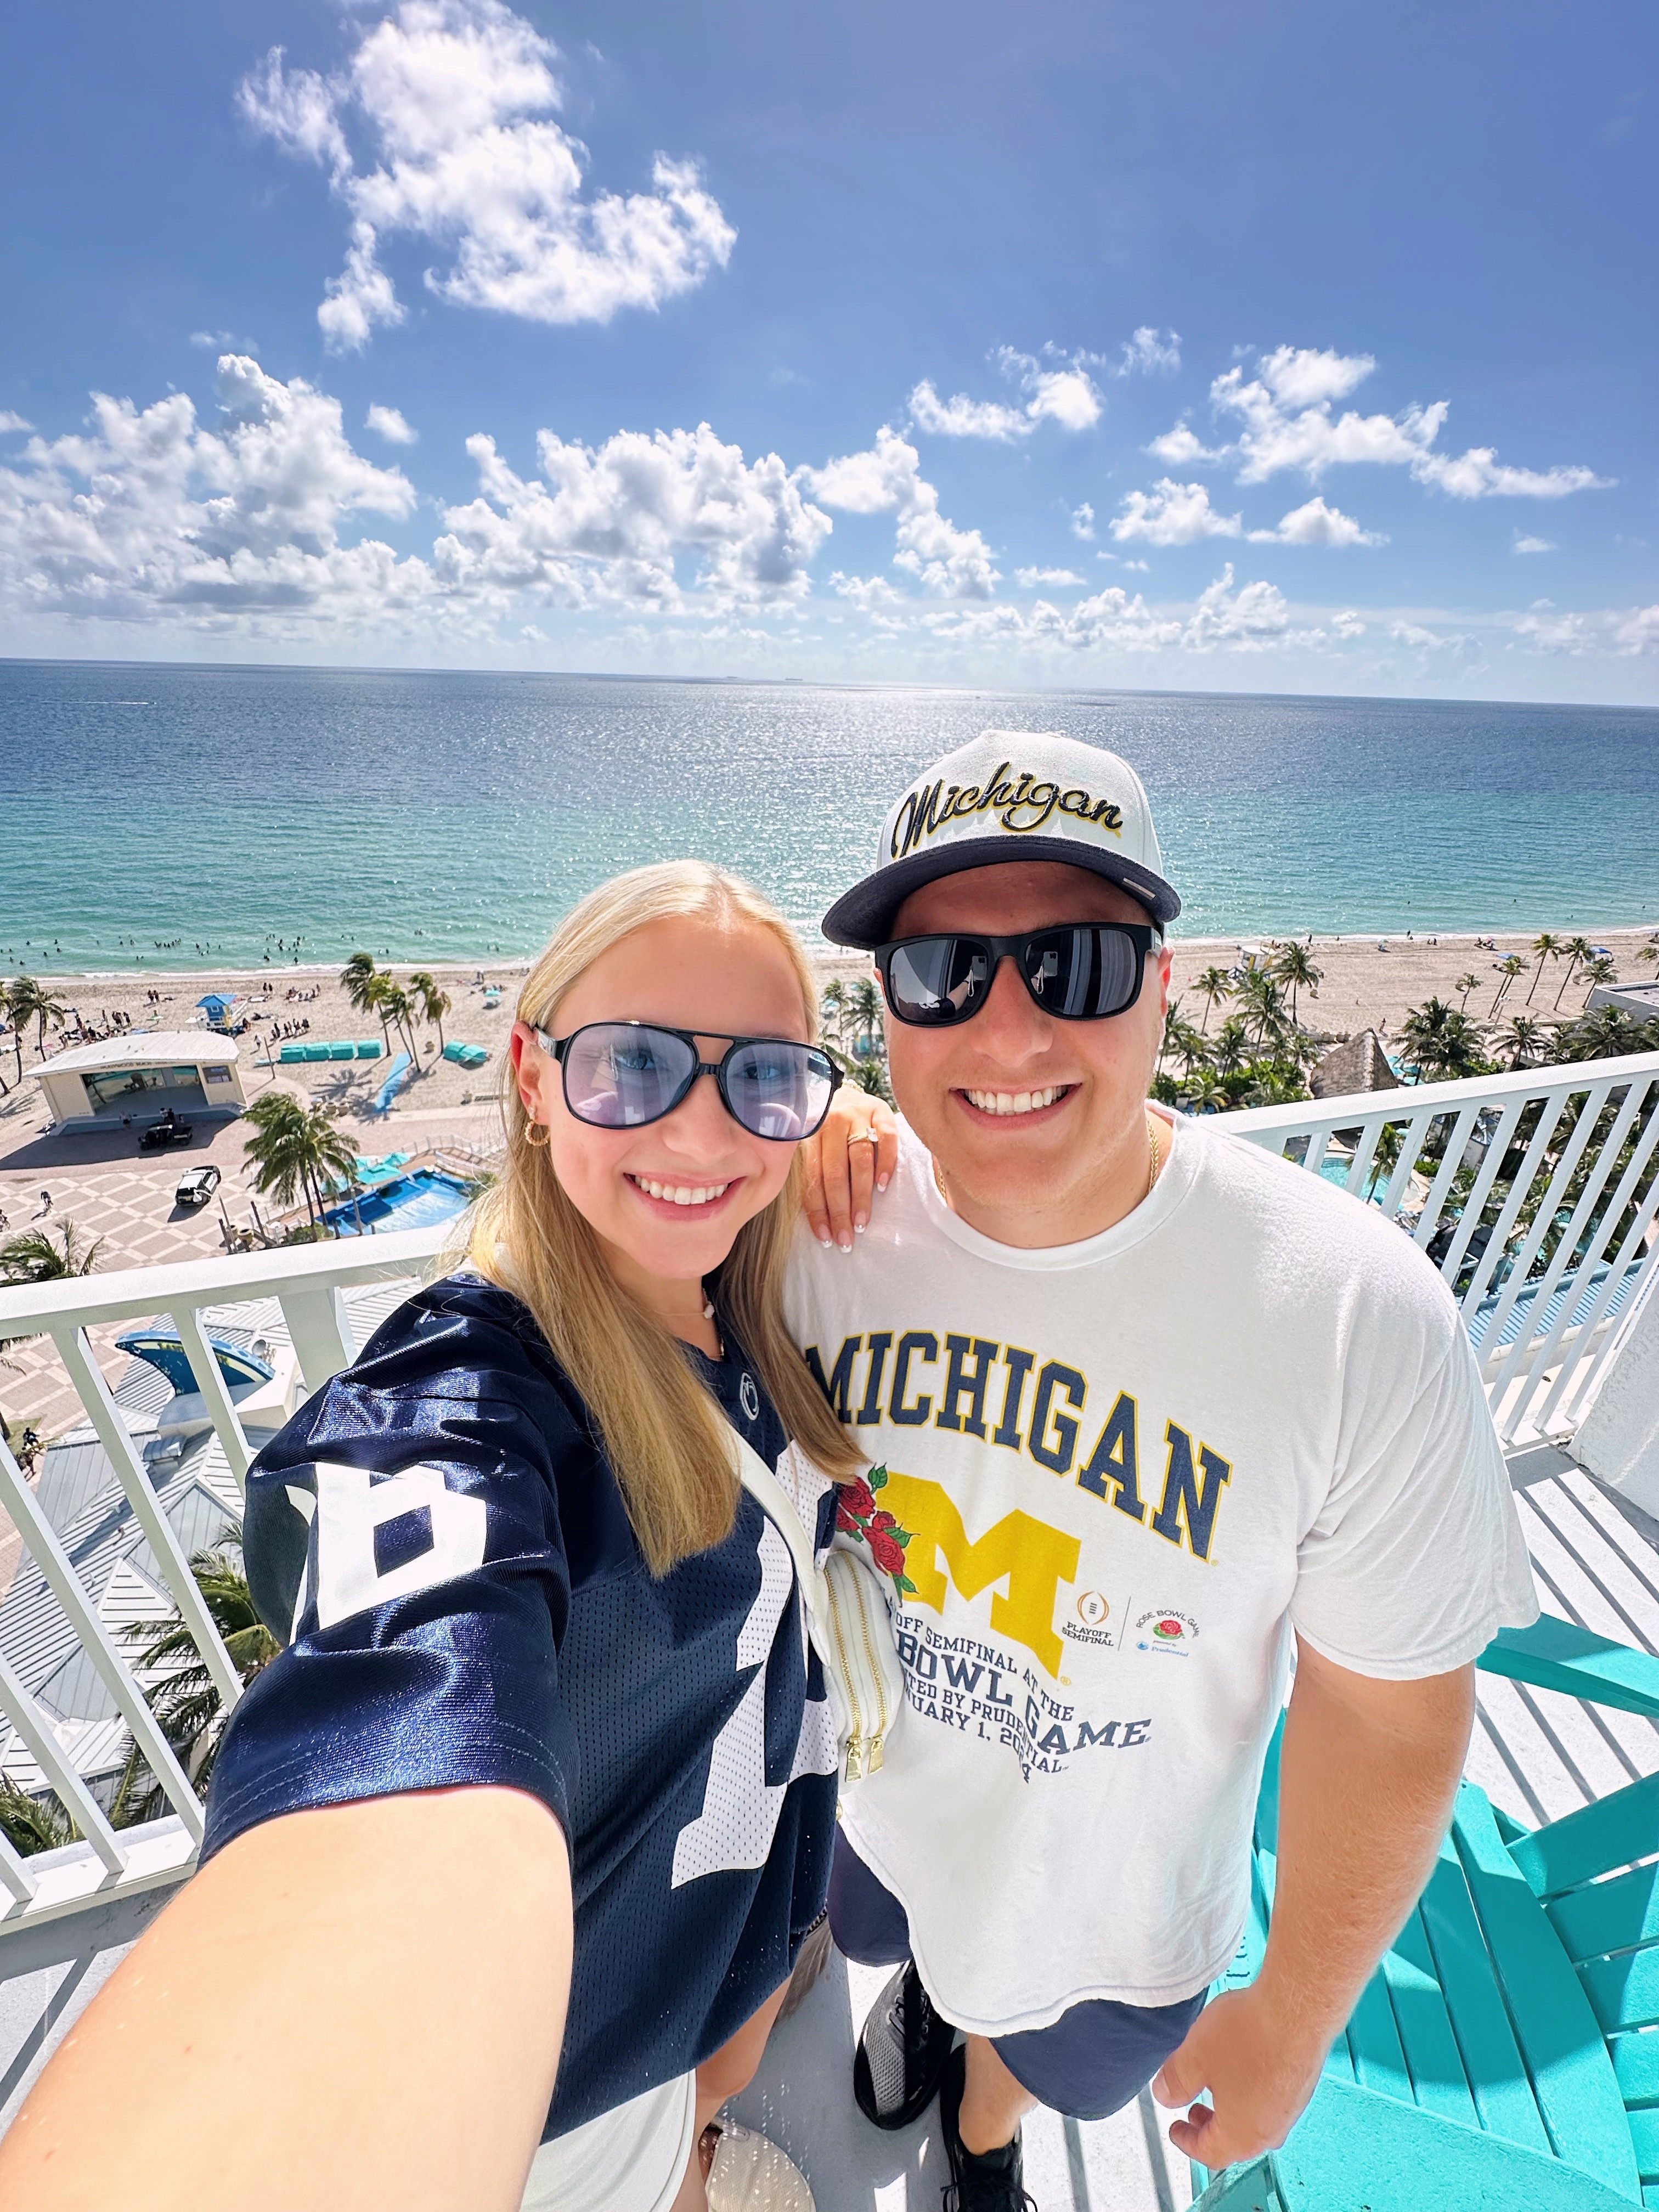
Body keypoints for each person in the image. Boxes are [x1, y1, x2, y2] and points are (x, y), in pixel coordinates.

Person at [0, 861, 863, 2212]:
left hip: (729, 1879)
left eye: (759, 1074)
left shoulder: (754, 1279)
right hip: (580, 2036)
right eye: (632, 1065)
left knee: (710, 2084)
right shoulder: (465, 1401)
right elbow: (406, 1717)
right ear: (530, 1075)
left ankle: (698, 2149)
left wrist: (856, 1125)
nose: (701, 1137)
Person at [794, 731, 1537, 2211]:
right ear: (885, 1013)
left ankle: (981, 2137)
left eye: (1074, 965)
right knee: (905, 1950)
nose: (1006, 1037)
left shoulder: (1348, 1311)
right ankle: (941, 2004)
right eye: (946, 975)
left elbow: (1388, 1723)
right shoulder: (818, 1225)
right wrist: (800, 1132)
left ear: (1165, 984)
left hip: (1114, 1909)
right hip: (870, 1803)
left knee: (1032, 2066)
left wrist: (1296, 2018)